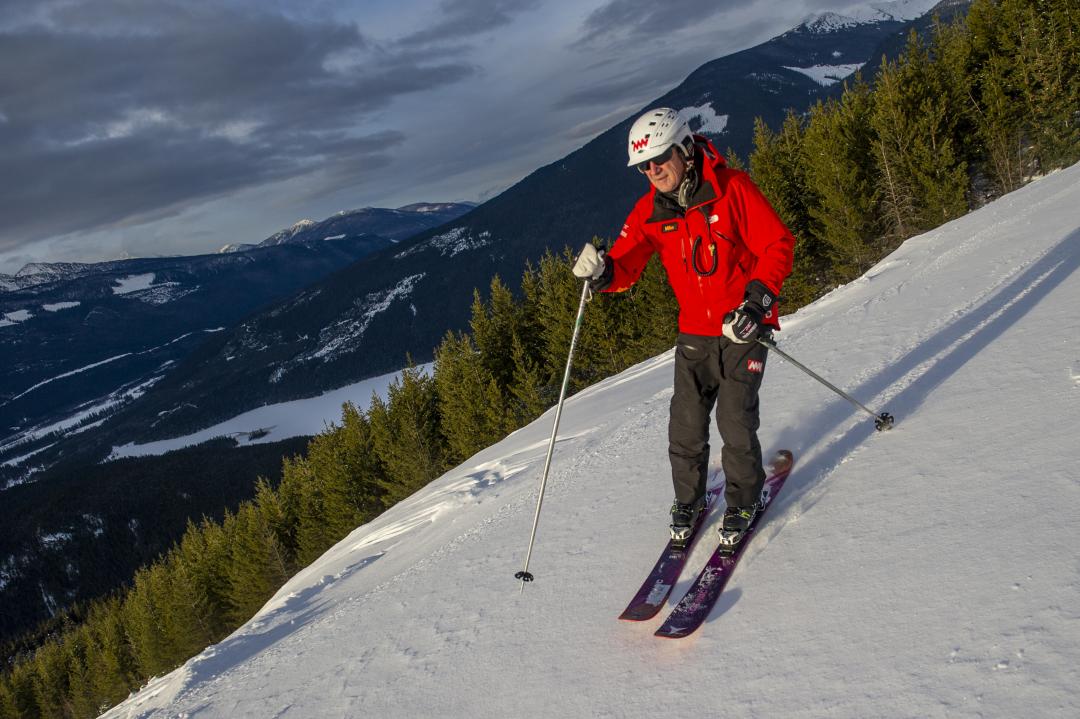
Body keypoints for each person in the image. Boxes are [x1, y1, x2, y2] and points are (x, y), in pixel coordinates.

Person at [572, 107, 794, 548]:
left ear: (685, 150)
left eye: (660, 160)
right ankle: (688, 501)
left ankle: (743, 499)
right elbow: (627, 263)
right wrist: (601, 273)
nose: (653, 172)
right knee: (686, 426)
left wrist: (757, 304)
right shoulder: (649, 211)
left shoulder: (732, 190)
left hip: (741, 329)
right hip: (694, 332)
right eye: (644, 167)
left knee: (734, 421)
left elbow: (777, 245)